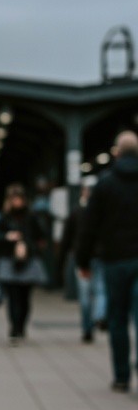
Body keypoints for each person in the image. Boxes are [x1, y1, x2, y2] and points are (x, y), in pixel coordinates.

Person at [76, 130, 138, 392]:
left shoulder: (105, 183)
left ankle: (122, 376)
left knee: (117, 319)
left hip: (114, 260)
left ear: (116, 153)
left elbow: (90, 226)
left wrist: (83, 261)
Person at [0, 183, 48, 344]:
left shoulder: (31, 216)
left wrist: (29, 245)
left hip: (28, 260)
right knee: (12, 297)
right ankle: (14, 328)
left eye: (19, 199)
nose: (17, 202)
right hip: (9, 260)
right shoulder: (4, 217)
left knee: (25, 298)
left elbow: (41, 236)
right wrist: (7, 237)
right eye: (14, 199)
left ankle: (21, 326)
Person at [61, 182, 106, 343]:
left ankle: (88, 327)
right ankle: (99, 316)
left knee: (85, 295)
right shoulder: (104, 213)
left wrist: (66, 257)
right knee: (100, 291)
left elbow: (68, 236)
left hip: (82, 258)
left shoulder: (77, 212)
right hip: (100, 257)